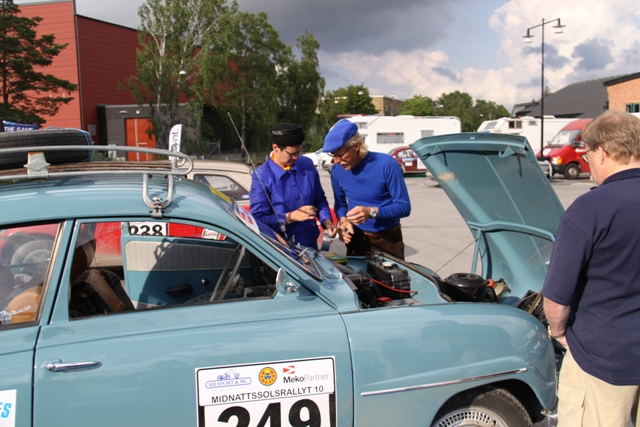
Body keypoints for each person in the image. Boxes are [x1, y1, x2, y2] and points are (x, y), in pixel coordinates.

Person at [542, 110, 640, 426]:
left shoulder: (590, 208)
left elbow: (556, 297)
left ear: (602, 153)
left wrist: (558, 332)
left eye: (586, 155)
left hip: (603, 360)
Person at [322, 119, 411, 259]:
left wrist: (371, 212)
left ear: (356, 146)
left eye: (340, 155)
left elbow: (404, 207)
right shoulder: (337, 171)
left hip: (388, 240)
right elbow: (340, 204)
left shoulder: (386, 164)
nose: (336, 161)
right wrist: (343, 221)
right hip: (356, 240)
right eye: (333, 155)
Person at [250, 122, 337, 250]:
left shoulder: (307, 165)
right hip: (281, 250)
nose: (296, 157)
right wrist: (290, 217)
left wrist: (327, 221)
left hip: (310, 246)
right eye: (291, 154)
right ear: (275, 148)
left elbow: (319, 199)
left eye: (299, 152)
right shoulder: (262, 176)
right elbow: (258, 219)